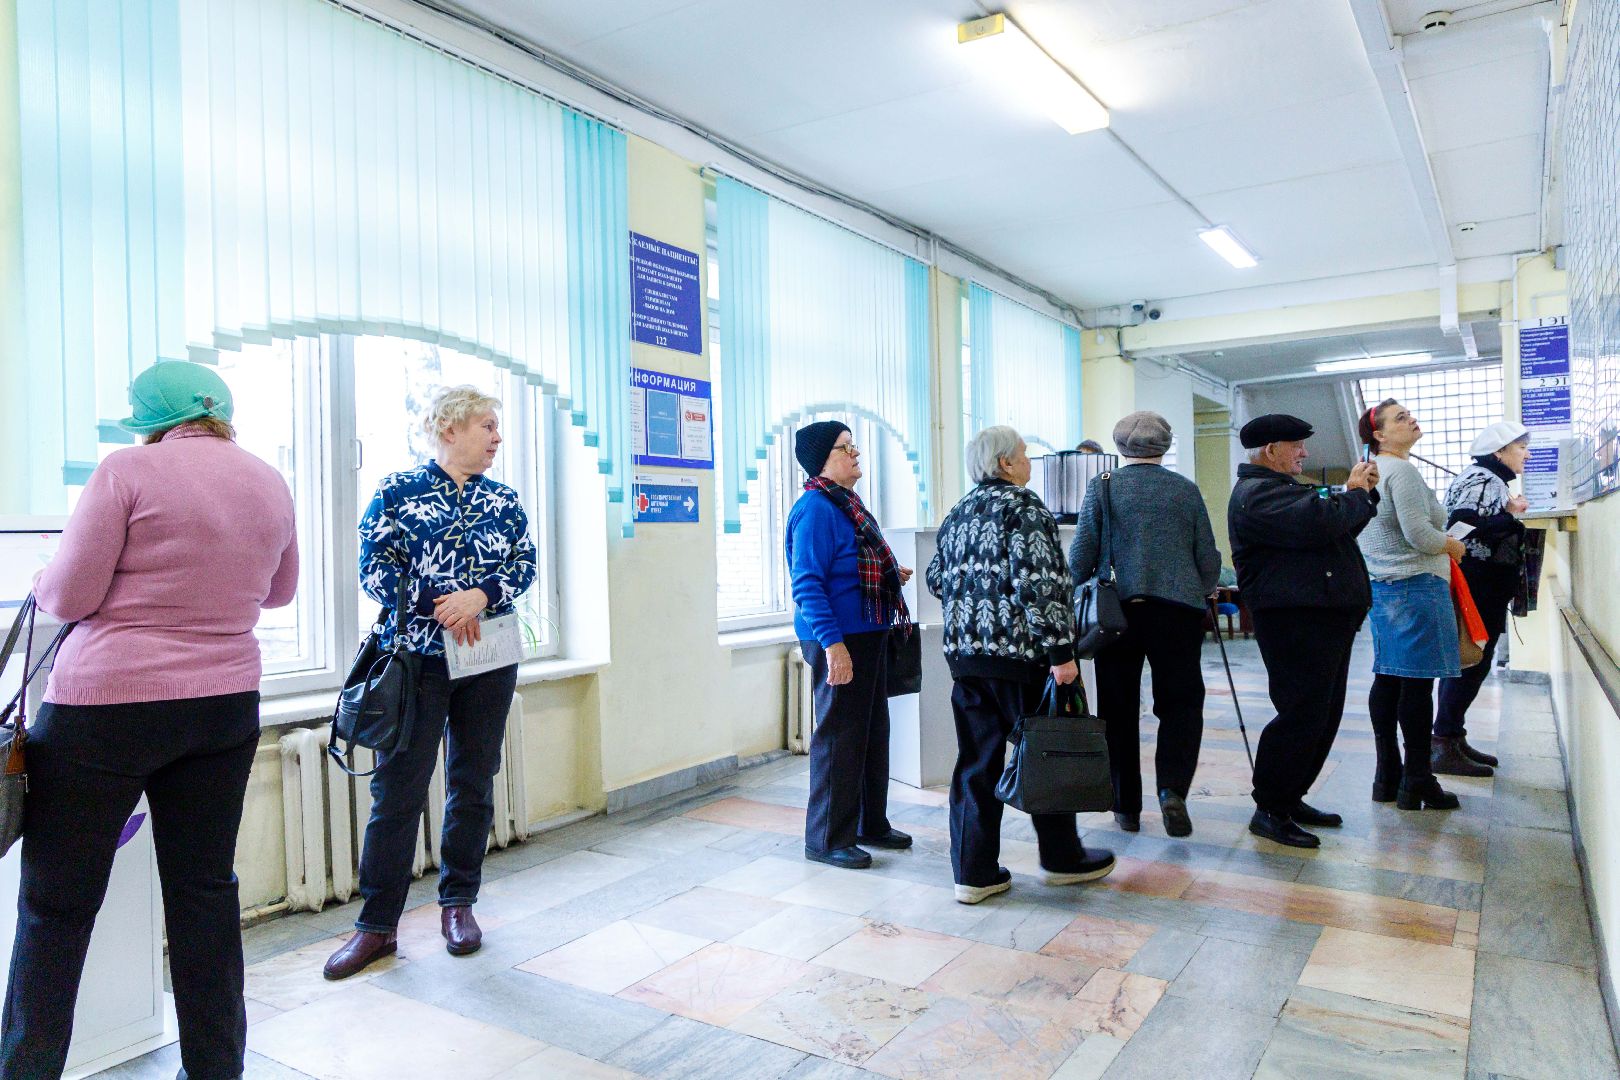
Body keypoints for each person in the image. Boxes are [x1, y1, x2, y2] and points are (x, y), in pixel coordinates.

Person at [2, 362, 297, 1080]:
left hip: (106, 712)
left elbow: (68, 595)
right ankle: (215, 1070)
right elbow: (281, 594)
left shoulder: (125, 472)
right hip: (224, 707)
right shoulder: (269, 479)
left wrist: (43, 576)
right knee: (204, 894)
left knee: (57, 910)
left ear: (147, 419)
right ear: (221, 413)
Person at [325, 385, 537, 980]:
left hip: (489, 660)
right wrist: (438, 604)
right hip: (416, 660)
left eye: (497, 428)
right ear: (450, 430)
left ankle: (458, 903)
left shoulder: (505, 499)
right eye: (487, 426)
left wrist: (481, 596)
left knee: (474, 780)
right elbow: (374, 566)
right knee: (398, 788)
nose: (497, 437)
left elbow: (524, 561)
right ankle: (377, 925)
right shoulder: (398, 492)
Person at [928, 426, 1116, 903]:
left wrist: (976, 595)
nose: (1030, 463)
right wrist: (1061, 653)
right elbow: (1042, 584)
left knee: (976, 763)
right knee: (1048, 750)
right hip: (1020, 658)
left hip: (967, 659)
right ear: (1006, 464)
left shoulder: (959, 512)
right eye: (1025, 455)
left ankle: (973, 872)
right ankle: (1061, 857)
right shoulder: (1024, 507)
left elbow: (936, 579)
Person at [1228, 414, 1380, 848]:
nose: (1305, 452)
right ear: (1270, 450)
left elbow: (1337, 524)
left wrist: (1362, 495)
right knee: (1300, 714)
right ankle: (1270, 808)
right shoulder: (1256, 495)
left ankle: (1290, 796)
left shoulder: (1282, 490)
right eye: (1296, 445)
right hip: (1295, 620)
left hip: (1323, 616)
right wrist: (1353, 493)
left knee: (1322, 713)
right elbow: (1320, 522)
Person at [1069, 412, 1220, 837]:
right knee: (1181, 703)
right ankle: (1172, 790)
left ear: (1119, 448)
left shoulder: (1103, 487)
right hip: (1178, 611)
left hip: (1116, 613)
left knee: (1118, 707)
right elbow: (1206, 555)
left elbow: (1081, 555)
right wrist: (1204, 585)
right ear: (1165, 446)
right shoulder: (1185, 490)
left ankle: (1126, 806)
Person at [785, 421, 914, 871]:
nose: (855, 454)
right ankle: (825, 838)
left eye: (854, 446)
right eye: (845, 448)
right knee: (840, 738)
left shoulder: (847, 504)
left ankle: (868, 823)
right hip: (838, 638)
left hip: (867, 633)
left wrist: (889, 576)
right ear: (823, 459)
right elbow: (807, 584)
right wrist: (834, 646)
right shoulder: (816, 510)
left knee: (872, 733)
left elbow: (848, 568)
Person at [1356, 399, 1468, 811]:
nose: (1412, 419)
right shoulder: (1400, 470)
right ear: (1380, 435)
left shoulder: (1370, 471)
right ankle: (1418, 780)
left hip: (1383, 585)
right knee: (1417, 685)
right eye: (1400, 418)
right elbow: (1419, 533)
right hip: (1416, 584)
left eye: (1410, 414)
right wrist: (1452, 545)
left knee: (1388, 677)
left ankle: (1388, 776)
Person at [1433, 421, 1530, 776]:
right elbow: (1461, 525)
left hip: (1481, 581)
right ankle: (1444, 740)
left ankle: (1451, 736)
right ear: (1499, 453)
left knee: (1471, 658)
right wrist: (1510, 519)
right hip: (1479, 581)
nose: (1527, 454)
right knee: (1473, 659)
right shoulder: (1484, 480)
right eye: (1520, 448)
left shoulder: (1483, 478)